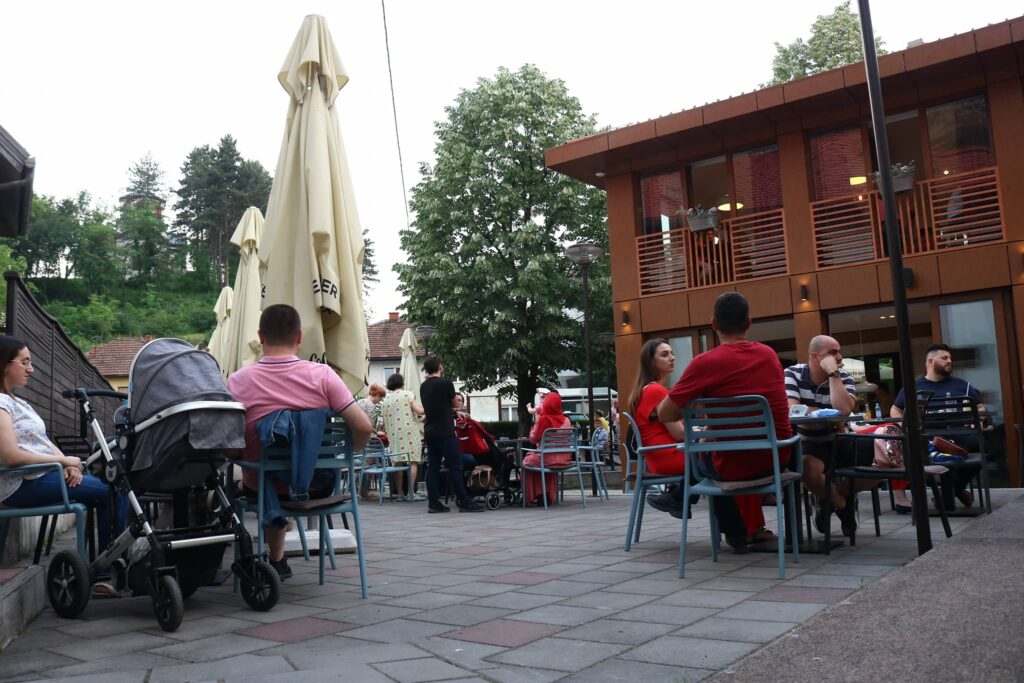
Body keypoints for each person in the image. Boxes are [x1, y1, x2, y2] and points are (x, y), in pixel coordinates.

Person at [227, 305, 373, 579]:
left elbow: (228, 441)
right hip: (317, 486)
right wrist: (346, 454)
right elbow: (364, 427)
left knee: (255, 474)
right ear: (299, 337)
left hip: (260, 488)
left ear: (260, 336)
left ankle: (270, 558)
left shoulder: (237, 381)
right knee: (292, 468)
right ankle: (276, 559)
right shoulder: (323, 375)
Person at [655, 292, 793, 554]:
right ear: (749, 322)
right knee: (711, 452)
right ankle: (759, 532)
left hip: (732, 465)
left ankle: (734, 530)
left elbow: (664, 414)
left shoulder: (705, 363)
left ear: (713, 323)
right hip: (775, 458)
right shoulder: (768, 355)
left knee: (702, 459)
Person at [0, 336, 125, 558]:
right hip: (22, 484)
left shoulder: (19, 403)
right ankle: (111, 566)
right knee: (113, 490)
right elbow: (11, 456)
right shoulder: (1, 404)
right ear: (5, 364)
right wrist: (62, 461)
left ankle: (108, 562)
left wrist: (69, 466)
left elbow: (44, 442)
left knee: (113, 487)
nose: (31, 369)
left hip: (43, 476)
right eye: (25, 362)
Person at [784, 335, 861, 535]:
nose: (840, 357)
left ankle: (826, 500)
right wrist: (825, 414)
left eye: (839, 351)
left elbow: (843, 410)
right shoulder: (792, 373)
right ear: (815, 356)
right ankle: (842, 506)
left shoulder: (843, 377)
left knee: (872, 465)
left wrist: (834, 375)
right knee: (807, 468)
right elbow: (793, 411)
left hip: (840, 438)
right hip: (808, 440)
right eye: (833, 352)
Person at [891, 343, 983, 510]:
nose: (949, 361)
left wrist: (980, 418)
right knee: (922, 452)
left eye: (950, 358)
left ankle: (952, 491)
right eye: (944, 358)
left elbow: (979, 406)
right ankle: (954, 492)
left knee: (981, 445)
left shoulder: (962, 385)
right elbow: (896, 408)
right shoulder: (913, 387)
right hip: (928, 438)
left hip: (960, 436)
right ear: (930, 361)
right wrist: (904, 426)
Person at [420, 355, 483, 513]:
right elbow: (455, 403)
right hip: (445, 431)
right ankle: (464, 501)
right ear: (440, 367)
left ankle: (434, 503)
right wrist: (456, 411)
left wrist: (451, 412)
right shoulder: (446, 383)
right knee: (455, 466)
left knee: (433, 467)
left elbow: (436, 408)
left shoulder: (423, 386)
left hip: (430, 430)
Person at [379, 373, 424, 500]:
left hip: (393, 434)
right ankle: (410, 492)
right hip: (409, 431)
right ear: (402, 383)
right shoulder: (407, 394)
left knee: (397, 461)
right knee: (413, 461)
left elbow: (382, 423)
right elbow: (419, 411)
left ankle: (399, 493)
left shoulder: (386, 400)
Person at [522, 390, 571, 505]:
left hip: (547, 459)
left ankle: (536, 495)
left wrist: (535, 426)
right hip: (564, 459)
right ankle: (548, 494)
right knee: (540, 461)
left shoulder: (545, 419)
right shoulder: (567, 420)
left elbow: (533, 439)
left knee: (528, 461)